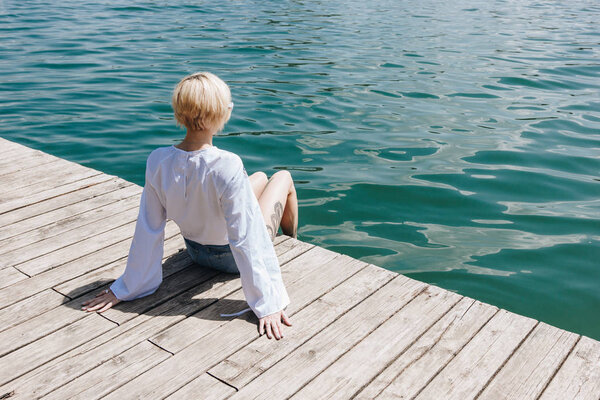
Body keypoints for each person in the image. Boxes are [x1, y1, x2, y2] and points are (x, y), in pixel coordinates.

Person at [82, 72, 298, 340]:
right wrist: (269, 302)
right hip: (229, 260)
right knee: (282, 178)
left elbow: (148, 229)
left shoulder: (158, 160)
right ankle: (292, 240)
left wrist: (127, 287)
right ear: (224, 112)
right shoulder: (227, 164)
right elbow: (245, 238)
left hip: (195, 252)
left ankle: (275, 219)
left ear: (179, 113)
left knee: (258, 178)